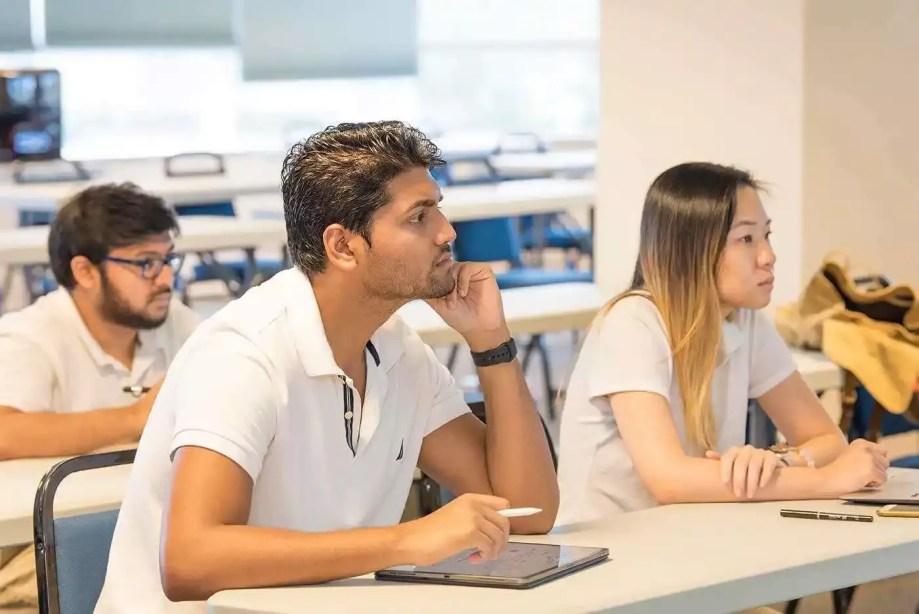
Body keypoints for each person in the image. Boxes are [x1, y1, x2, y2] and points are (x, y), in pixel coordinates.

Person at [96, 121, 559, 612]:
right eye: (418, 217)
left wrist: (490, 343)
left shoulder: (397, 348)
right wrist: (407, 540)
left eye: (438, 208)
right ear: (342, 246)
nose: (447, 231)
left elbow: (527, 512)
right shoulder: (244, 352)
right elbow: (190, 561)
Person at [556, 162, 889, 523]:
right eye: (746, 239)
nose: (768, 255)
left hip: (691, 535)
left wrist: (777, 462)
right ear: (691, 249)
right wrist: (824, 480)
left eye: (767, 235)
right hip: (609, 552)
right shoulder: (632, 323)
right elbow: (669, 479)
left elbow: (826, 439)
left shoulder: (743, 318)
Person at [0, 182, 198, 608]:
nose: (165, 279)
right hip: (44, 539)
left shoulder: (174, 322)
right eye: (146, 264)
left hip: (142, 521)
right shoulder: (29, 335)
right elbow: (4, 432)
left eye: (168, 260)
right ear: (85, 272)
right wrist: (134, 418)